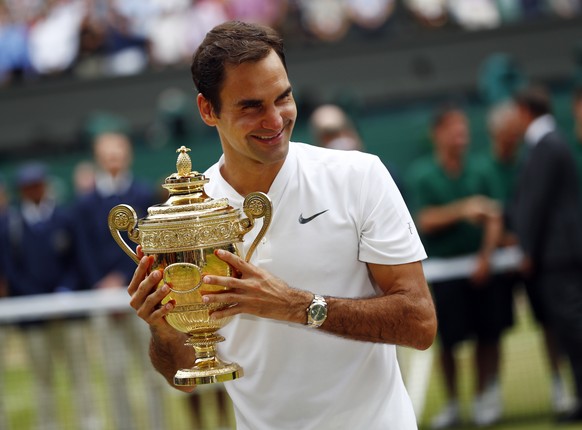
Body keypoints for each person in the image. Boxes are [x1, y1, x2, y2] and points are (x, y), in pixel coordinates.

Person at [127, 20, 436, 430]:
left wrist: (297, 306)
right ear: (207, 110)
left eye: (283, 98)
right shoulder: (187, 217)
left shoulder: (359, 176)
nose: (275, 120)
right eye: (251, 106)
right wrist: (163, 330)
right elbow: (180, 377)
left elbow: (419, 323)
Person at [405, 105, 504, 428]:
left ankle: (482, 399)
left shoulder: (482, 169)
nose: (461, 135)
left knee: (488, 336)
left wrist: (486, 257)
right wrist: (464, 209)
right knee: (449, 341)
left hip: (483, 270)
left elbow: (494, 216)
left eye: (464, 129)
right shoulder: (423, 174)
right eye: (453, 129)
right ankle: (451, 404)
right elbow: (426, 219)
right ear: (438, 133)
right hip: (444, 274)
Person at [72, 131, 166, 430]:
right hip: (102, 300)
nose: (113, 157)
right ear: (98, 157)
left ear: (128, 155)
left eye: (118, 151)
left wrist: (126, 280)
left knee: (152, 370)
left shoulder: (143, 195)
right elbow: (83, 249)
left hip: (144, 297)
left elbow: (150, 245)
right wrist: (101, 283)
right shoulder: (85, 204)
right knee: (114, 374)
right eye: (107, 152)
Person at [0, 162, 99, 430]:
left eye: (37, 184)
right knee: (43, 380)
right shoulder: (11, 224)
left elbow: (78, 262)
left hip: (70, 314)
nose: (34, 190)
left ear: (45, 185)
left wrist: (64, 293)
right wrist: (39, 300)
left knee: (80, 376)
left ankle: (90, 423)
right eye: (27, 186)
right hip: (33, 318)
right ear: (21, 190)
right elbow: (11, 269)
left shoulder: (65, 218)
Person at [511, 85, 582, 423]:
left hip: (559, 257)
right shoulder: (551, 143)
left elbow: (534, 205)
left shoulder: (546, 145)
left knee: (573, 328)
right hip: (560, 254)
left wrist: (527, 249)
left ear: (524, 111)